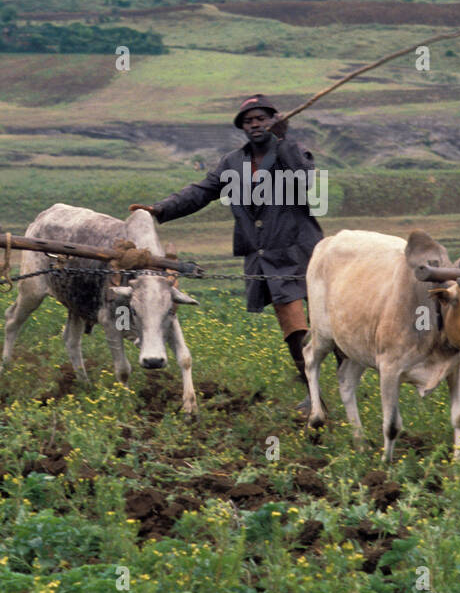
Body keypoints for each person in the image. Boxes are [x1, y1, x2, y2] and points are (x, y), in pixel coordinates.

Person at [132, 94, 326, 410]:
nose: (255, 125)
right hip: (263, 256)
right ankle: (314, 393)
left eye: (261, 118)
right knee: (293, 329)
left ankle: (342, 378)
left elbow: (305, 180)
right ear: (243, 128)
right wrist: (159, 208)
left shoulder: (291, 152)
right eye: (249, 121)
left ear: (275, 120)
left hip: (299, 250)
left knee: (329, 320)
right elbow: (201, 192)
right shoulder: (232, 163)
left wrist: (284, 140)